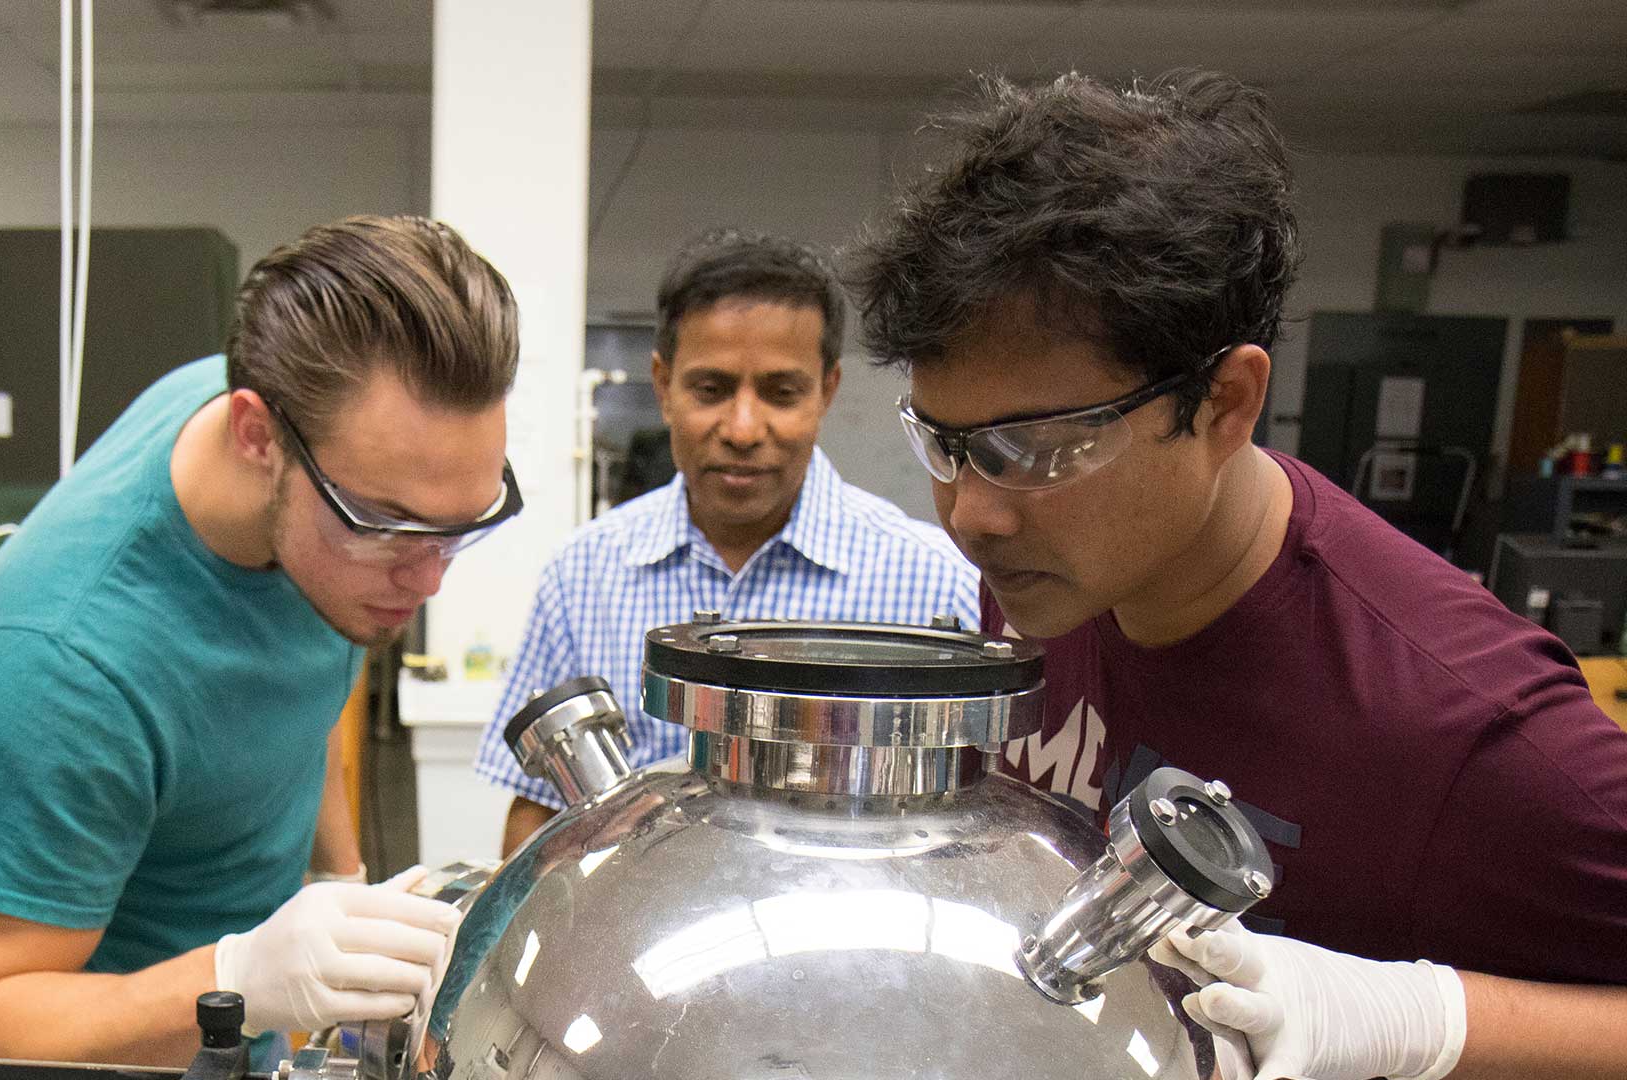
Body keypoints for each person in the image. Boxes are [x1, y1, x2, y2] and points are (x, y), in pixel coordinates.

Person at [851, 71, 1627, 1080]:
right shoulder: (1048, 575)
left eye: (1039, 448)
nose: (973, 515)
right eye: (947, 445)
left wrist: (1418, 1017)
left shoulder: (1456, 722)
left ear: (1225, 403)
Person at [0, 216, 523, 1066]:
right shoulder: (60, 663)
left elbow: (295, 679)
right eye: (388, 526)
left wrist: (338, 879)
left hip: (248, 1032)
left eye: (459, 529)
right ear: (256, 437)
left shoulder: (319, 464)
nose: (428, 581)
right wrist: (241, 975)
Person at [475, 228, 981, 854]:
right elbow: (538, 815)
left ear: (827, 390)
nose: (743, 429)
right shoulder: (583, 575)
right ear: (663, 385)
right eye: (711, 390)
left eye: (781, 392)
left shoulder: (937, 579)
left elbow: (979, 824)